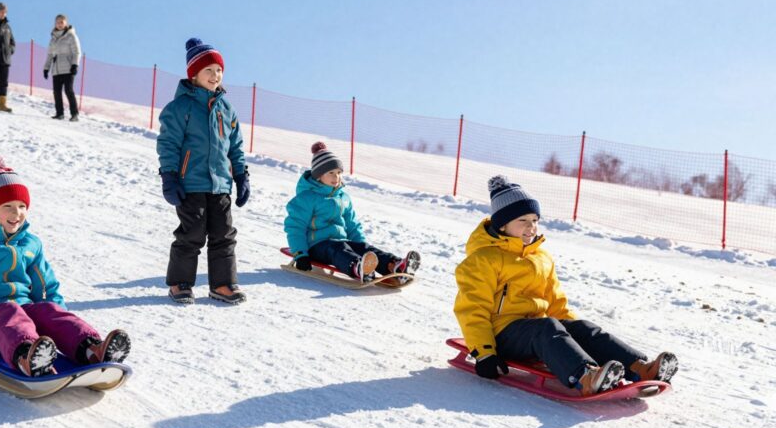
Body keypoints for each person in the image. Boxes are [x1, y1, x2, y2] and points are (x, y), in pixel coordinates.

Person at [454, 175, 679, 397]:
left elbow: (556, 302)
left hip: (535, 330)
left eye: (535, 220)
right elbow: (472, 308)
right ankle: (586, 377)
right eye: (522, 220)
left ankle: (640, 368)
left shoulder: (540, 258)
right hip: (501, 335)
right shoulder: (483, 259)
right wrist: (484, 352)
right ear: (502, 224)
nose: (531, 227)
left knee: (583, 328)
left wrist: (574, 333)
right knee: (546, 327)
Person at [0, 155, 131, 377]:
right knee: (8, 311)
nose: (16, 213)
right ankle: (26, 358)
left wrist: (58, 321)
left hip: (23, 314)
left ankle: (91, 349)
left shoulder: (30, 244)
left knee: (47, 310)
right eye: (7, 206)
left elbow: (46, 286)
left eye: (22, 206)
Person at [156, 38, 250, 305]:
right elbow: (168, 143)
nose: (215, 75)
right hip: (190, 183)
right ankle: (180, 283)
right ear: (194, 74)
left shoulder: (226, 109)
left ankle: (222, 284)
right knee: (192, 233)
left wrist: (241, 175)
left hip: (220, 185)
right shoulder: (179, 108)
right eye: (208, 70)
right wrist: (169, 176)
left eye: (219, 70)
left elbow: (235, 146)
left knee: (224, 234)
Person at [285, 142, 420, 282]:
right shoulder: (306, 198)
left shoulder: (343, 198)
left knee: (363, 247)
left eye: (338, 173)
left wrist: (362, 249)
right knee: (338, 249)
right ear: (318, 176)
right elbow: (295, 227)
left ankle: (395, 266)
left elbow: (352, 224)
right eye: (331, 173)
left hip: (340, 242)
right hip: (315, 246)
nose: (336, 177)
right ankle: (358, 267)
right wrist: (300, 253)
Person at [43, 14, 82, 121]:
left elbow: (77, 52)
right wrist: (46, 68)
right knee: (56, 92)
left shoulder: (71, 36)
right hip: (56, 70)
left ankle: (74, 114)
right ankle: (59, 113)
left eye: (61, 22)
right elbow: (50, 55)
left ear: (66, 23)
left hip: (68, 68)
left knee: (68, 90)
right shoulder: (53, 38)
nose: (59, 24)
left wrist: (75, 65)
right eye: (57, 22)